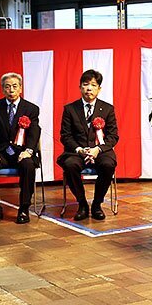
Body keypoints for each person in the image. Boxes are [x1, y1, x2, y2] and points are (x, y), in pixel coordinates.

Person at [58, 69, 118, 221]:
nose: (89, 88)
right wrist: (79, 150)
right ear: (80, 87)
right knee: (70, 165)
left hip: (100, 151)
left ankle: (97, 204)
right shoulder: (70, 109)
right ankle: (82, 203)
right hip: (77, 151)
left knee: (108, 165)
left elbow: (113, 136)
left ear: (99, 88)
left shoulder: (107, 109)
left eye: (93, 85)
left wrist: (98, 149)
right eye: (85, 85)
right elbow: (65, 136)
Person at [0, 73, 40, 224]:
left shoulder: (31, 108)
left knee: (28, 165)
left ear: (20, 88)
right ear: (2, 89)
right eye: (7, 87)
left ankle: (24, 208)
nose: (11, 90)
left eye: (14, 86)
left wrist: (29, 151)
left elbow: (34, 132)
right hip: (1, 153)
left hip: (23, 152)